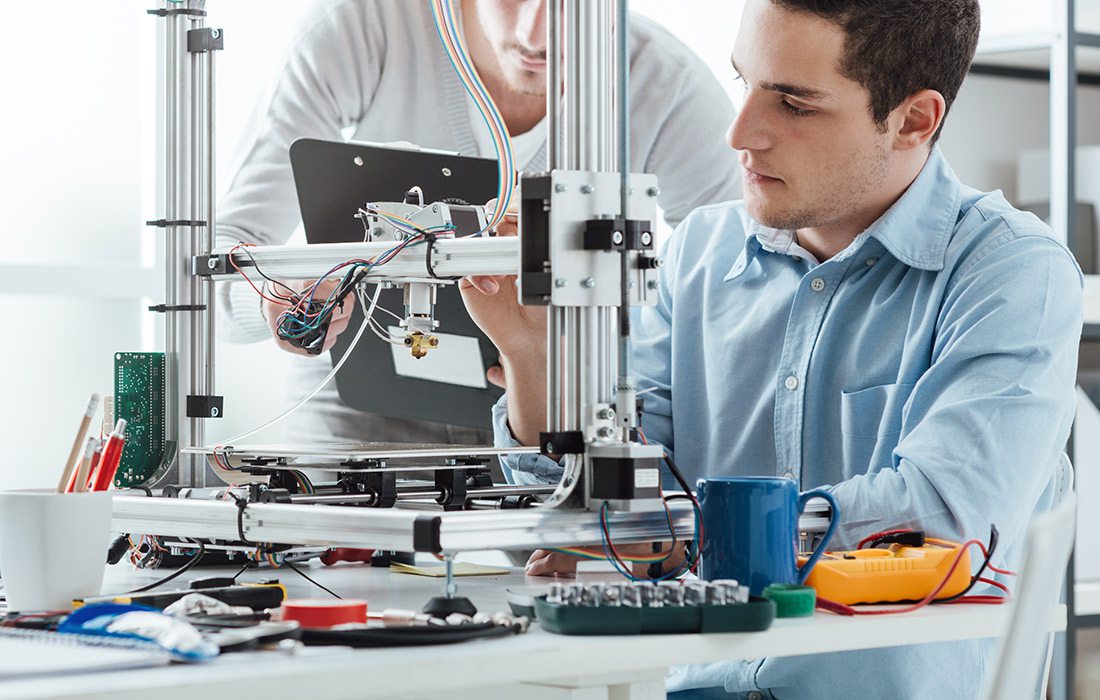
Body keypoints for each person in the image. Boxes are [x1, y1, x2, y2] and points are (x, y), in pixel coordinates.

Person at [462, 0, 1083, 697]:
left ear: (914, 119)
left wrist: (676, 534)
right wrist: (531, 356)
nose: (740, 133)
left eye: (792, 102)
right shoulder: (700, 251)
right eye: (744, 82)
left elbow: (942, 515)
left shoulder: (1009, 271)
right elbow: (589, 513)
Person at [215, 0, 742, 447]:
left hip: (549, 406)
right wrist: (280, 299)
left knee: (581, 565)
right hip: (353, 402)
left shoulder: (666, 86)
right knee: (311, 557)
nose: (535, 35)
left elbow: (738, 285)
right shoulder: (365, 24)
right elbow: (219, 262)